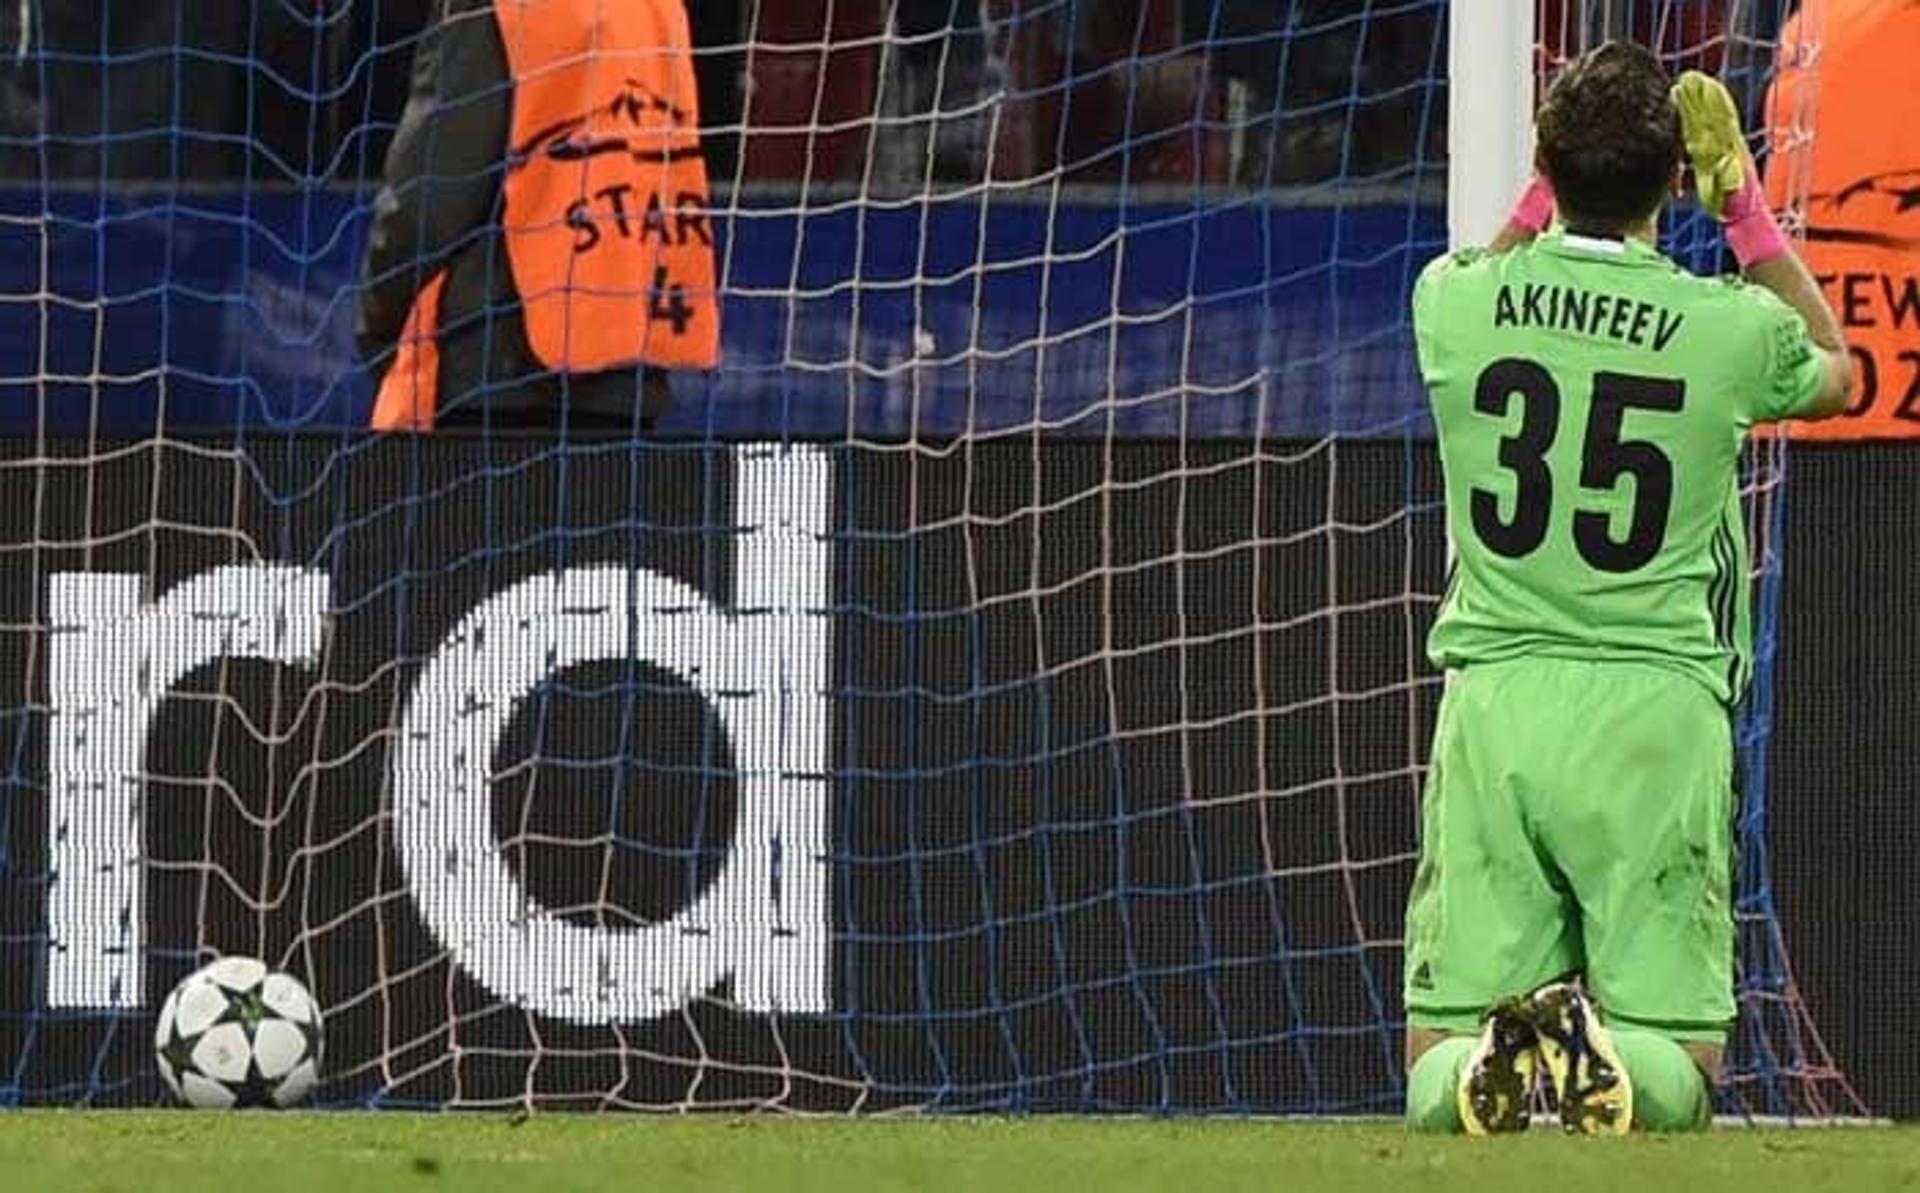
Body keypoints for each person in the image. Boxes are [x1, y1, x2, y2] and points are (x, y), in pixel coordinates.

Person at [1400, 42, 1850, 1135]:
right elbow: (1838, 370)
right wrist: (1741, 208)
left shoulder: (1452, 305)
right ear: (1669, 184)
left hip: (1499, 705)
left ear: (1550, 169)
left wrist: (1541, 182)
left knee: (1441, 1043)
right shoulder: (1727, 329)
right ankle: (1618, 1065)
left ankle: (1478, 1072)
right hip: (1654, 712)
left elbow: (1496, 255)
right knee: (1676, 1052)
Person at [358, 0, 718, 432]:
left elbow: (430, 201)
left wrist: (377, 321)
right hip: (626, 374)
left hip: (493, 371)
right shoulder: (658, 8)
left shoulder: (493, 8)